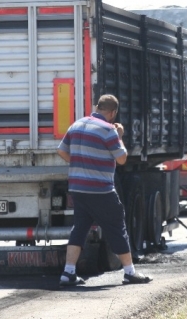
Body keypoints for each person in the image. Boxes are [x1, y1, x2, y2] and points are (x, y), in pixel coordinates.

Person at [56, 94, 153, 286]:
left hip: (77, 188)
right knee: (117, 227)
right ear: (113, 112)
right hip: (100, 190)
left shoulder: (76, 125)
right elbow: (122, 158)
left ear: (97, 107)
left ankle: (68, 273)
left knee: (80, 228)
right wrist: (119, 136)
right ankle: (129, 272)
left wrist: (79, 163)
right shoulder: (109, 130)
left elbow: (61, 150)